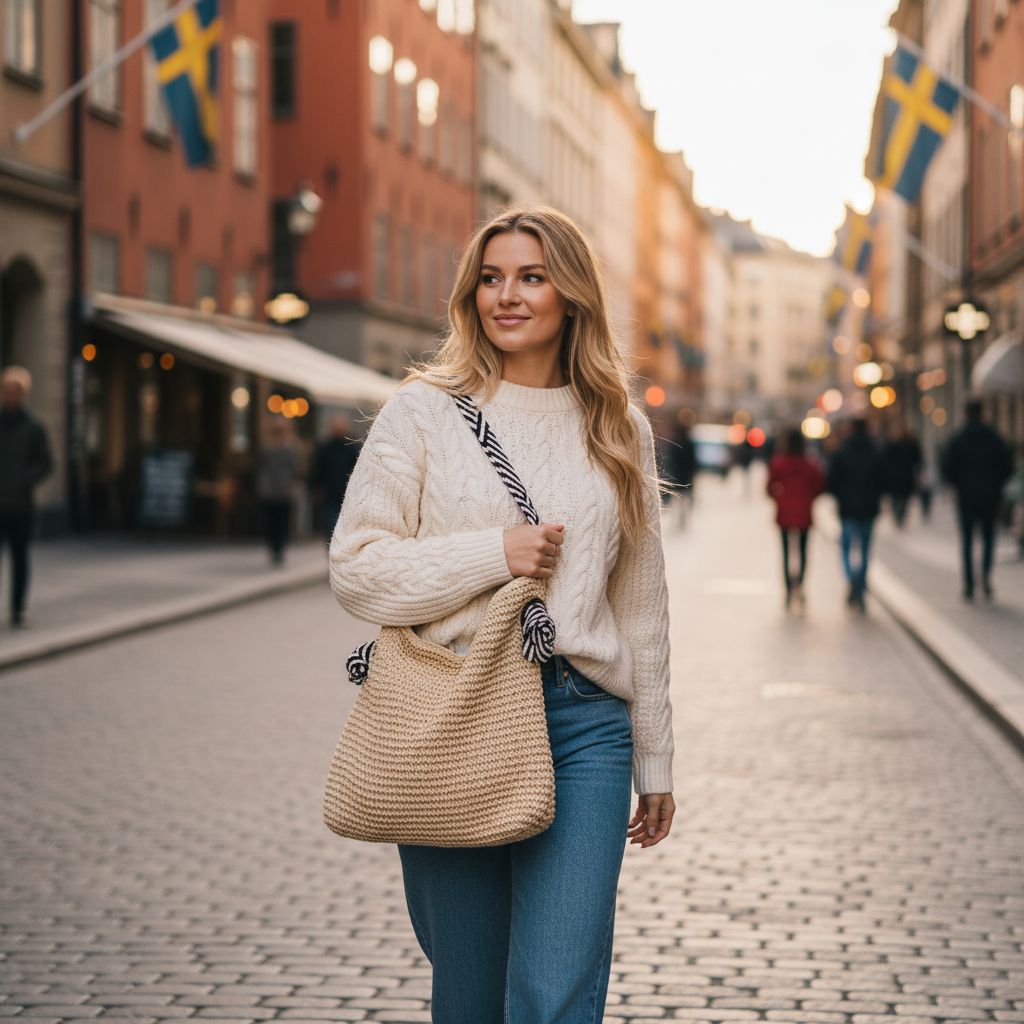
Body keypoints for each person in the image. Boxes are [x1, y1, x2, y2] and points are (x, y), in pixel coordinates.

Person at [330, 206, 674, 1023]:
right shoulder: (422, 411)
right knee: (471, 996)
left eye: (531, 276)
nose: (506, 296)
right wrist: (497, 553)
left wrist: (655, 761)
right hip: (457, 712)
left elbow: (644, 609)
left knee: (553, 995)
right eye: (490, 278)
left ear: (572, 296)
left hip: (585, 725)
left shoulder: (617, 427)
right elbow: (356, 570)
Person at [941, 400, 1013, 600]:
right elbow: (1007, 466)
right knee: (989, 538)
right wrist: (995, 484)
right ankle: (986, 578)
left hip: (966, 497)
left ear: (965, 413)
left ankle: (969, 585)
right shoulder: (994, 437)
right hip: (990, 497)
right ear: (983, 413)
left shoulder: (958, 438)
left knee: (967, 540)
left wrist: (958, 484)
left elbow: (947, 467)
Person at [0, 366, 53, 627]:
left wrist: (25, 481)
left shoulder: (34, 427)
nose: (9, 395)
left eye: (14, 391)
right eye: (6, 390)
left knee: (20, 558)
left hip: (21, 506)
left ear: (23, 394)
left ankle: (18, 609)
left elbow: (46, 463)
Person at [827, 418, 885, 611]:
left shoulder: (842, 453)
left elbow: (832, 482)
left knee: (845, 547)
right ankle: (860, 585)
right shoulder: (876, 452)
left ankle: (852, 577)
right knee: (865, 550)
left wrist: (841, 498)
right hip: (869, 509)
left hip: (848, 509)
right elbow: (883, 481)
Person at [766, 427, 826, 608]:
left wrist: (779, 498)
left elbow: (769, 487)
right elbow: (821, 485)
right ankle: (799, 585)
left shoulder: (779, 463)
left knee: (785, 552)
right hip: (804, 512)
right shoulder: (810, 464)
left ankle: (787, 589)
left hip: (784, 513)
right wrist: (808, 497)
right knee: (802, 552)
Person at [256, 417, 300, 564]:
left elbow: (296, 468)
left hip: (283, 490)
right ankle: (275, 548)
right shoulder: (269, 446)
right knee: (273, 522)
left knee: (280, 522)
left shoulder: (289, 446)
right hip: (272, 490)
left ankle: (278, 548)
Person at [311, 415, 360, 542]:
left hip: (349, 493)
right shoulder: (325, 448)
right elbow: (318, 469)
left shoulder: (353, 447)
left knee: (346, 525)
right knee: (330, 525)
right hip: (330, 492)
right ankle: (332, 551)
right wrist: (317, 487)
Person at [882, 422, 922, 528]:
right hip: (898, 477)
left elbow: (917, 460)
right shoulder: (891, 445)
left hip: (902, 477)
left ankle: (900, 516)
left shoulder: (910, 444)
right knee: (897, 499)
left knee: (903, 498)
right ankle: (898, 516)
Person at [666, 420, 697, 525]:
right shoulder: (688, 444)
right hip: (684, 474)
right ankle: (681, 515)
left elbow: (672, 460)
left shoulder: (676, 444)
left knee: (678, 497)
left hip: (679, 474)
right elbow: (692, 461)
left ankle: (680, 515)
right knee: (683, 496)